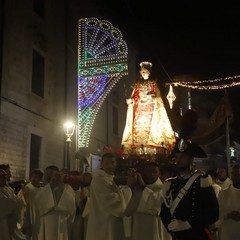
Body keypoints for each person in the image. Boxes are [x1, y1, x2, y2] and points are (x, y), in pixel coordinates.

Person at [160, 139, 219, 240]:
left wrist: (188, 224)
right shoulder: (170, 183)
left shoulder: (202, 180)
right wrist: (170, 226)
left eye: (183, 157)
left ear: (191, 159)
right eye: (177, 157)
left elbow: (213, 213)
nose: (178, 160)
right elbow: (164, 211)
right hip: (178, 236)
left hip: (198, 235)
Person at [121, 61, 175, 154]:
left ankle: (152, 144)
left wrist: (153, 97)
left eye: (145, 71)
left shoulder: (153, 84)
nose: (143, 73)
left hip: (150, 110)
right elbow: (135, 96)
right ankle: (137, 146)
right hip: (139, 111)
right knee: (138, 129)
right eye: (142, 71)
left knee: (152, 128)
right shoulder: (137, 85)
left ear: (149, 72)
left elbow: (157, 96)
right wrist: (131, 101)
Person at [85, 152, 132, 240]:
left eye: (112, 163)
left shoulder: (111, 178)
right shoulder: (98, 180)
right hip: (103, 222)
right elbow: (113, 202)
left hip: (112, 222)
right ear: (102, 164)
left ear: (116, 164)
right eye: (107, 163)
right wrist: (127, 188)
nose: (110, 166)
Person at [126, 161, 172, 240]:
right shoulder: (137, 187)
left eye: (154, 172)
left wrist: (144, 187)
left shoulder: (164, 188)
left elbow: (157, 204)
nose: (151, 174)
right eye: (148, 172)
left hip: (154, 224)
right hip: (139, 223)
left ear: (159, 174)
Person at [35, 171, 76, 239]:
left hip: (61, 222)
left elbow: (71, 207)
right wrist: (50, 186)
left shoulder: (67, 189)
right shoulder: (43, 190)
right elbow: (38, 204)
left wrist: (61, 186)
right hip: (46, 221)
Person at [0, 169, 26, 240]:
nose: (5, 178)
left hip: (10, 222)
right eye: (2, 176)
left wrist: (22, 198)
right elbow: (4, 203)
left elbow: (17, 200)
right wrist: (15, 202)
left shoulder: (9, 189)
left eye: (5, 176)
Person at [217, 164, 240, 240]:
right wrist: (228, 215)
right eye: (233, 174)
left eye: (238, 174)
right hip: (228, 233)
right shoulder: (223, 194)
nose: (236, 176)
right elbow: (217, 215)